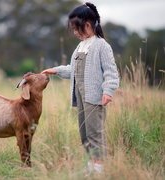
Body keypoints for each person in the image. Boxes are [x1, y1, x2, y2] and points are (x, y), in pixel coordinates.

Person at [41, 2, 119, 173]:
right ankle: (91, 165)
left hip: (94, 98)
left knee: (94, 133)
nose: (75, 33)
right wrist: (56, 70)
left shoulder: (101, 46)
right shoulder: (79, 47)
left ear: (89, 25)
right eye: (73, 29)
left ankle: (99, 168)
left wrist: (108, 91)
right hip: (81, 97)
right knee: (84, 133)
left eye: (77, 29)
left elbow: (111, 72)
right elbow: (73, 70)